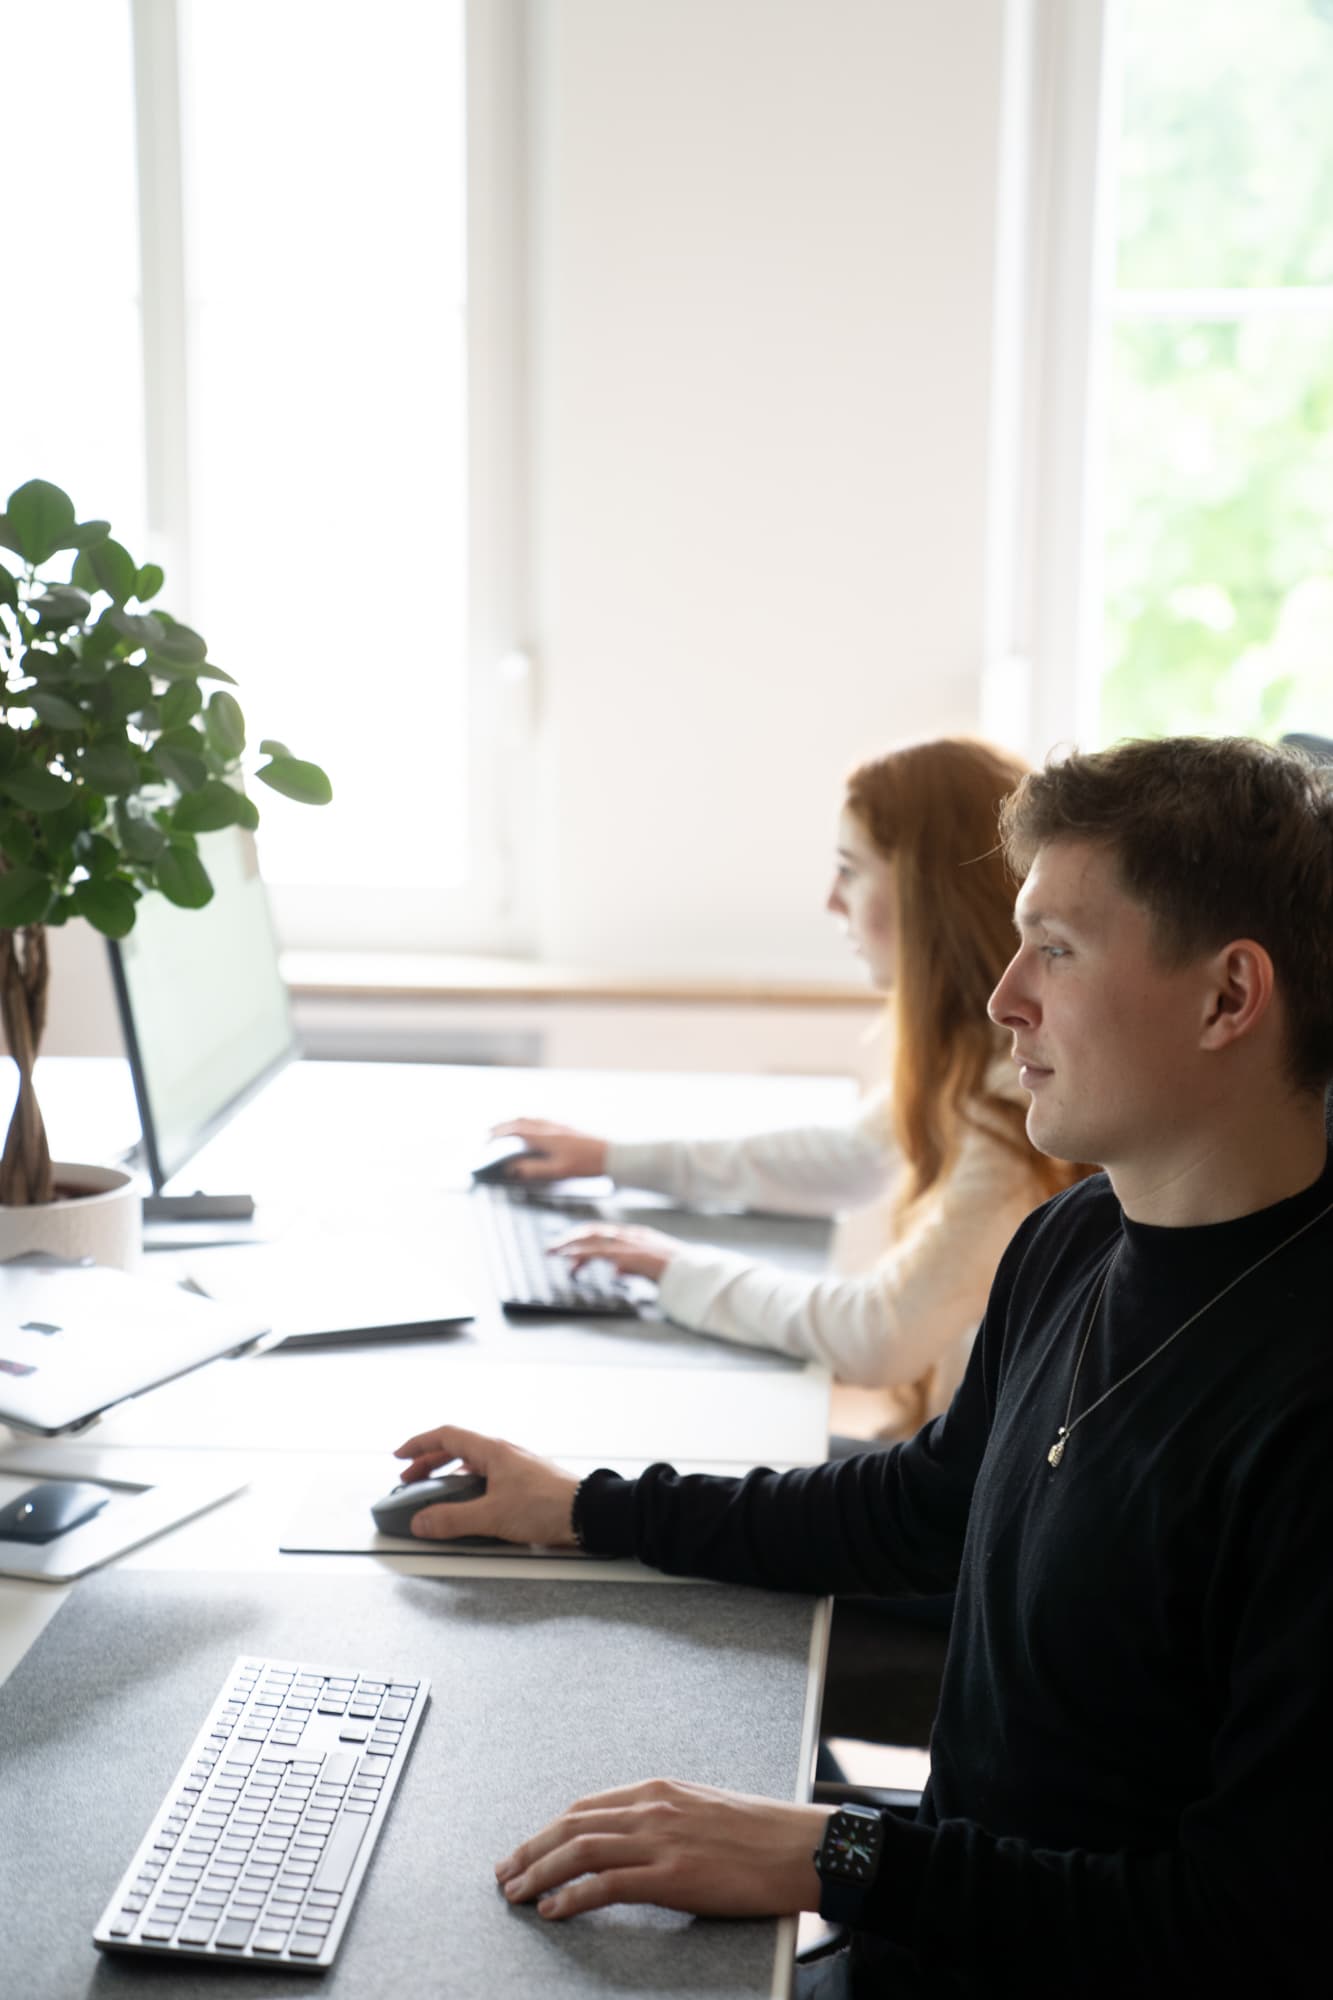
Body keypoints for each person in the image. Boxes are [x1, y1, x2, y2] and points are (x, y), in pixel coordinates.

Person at [387, 736, 1333, 1995]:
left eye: (1055, 946)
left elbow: (1239, 1933)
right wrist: (581, 1505)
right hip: (923, 1947)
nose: (1003, 997)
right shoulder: (1077, 1235)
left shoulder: (1309, 1411)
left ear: (1228, 997)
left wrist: (833, 1849)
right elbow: (917, 1506)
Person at [494, 736, 1080, 1437]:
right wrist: (614, 1160)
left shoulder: (1015, 1094)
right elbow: (846, 1157)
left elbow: (880, 1334)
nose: (831, 902)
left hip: (961, 1496)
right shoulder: (972, 1051)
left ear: (929, 895)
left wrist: (674, 1270)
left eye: (849, 871)